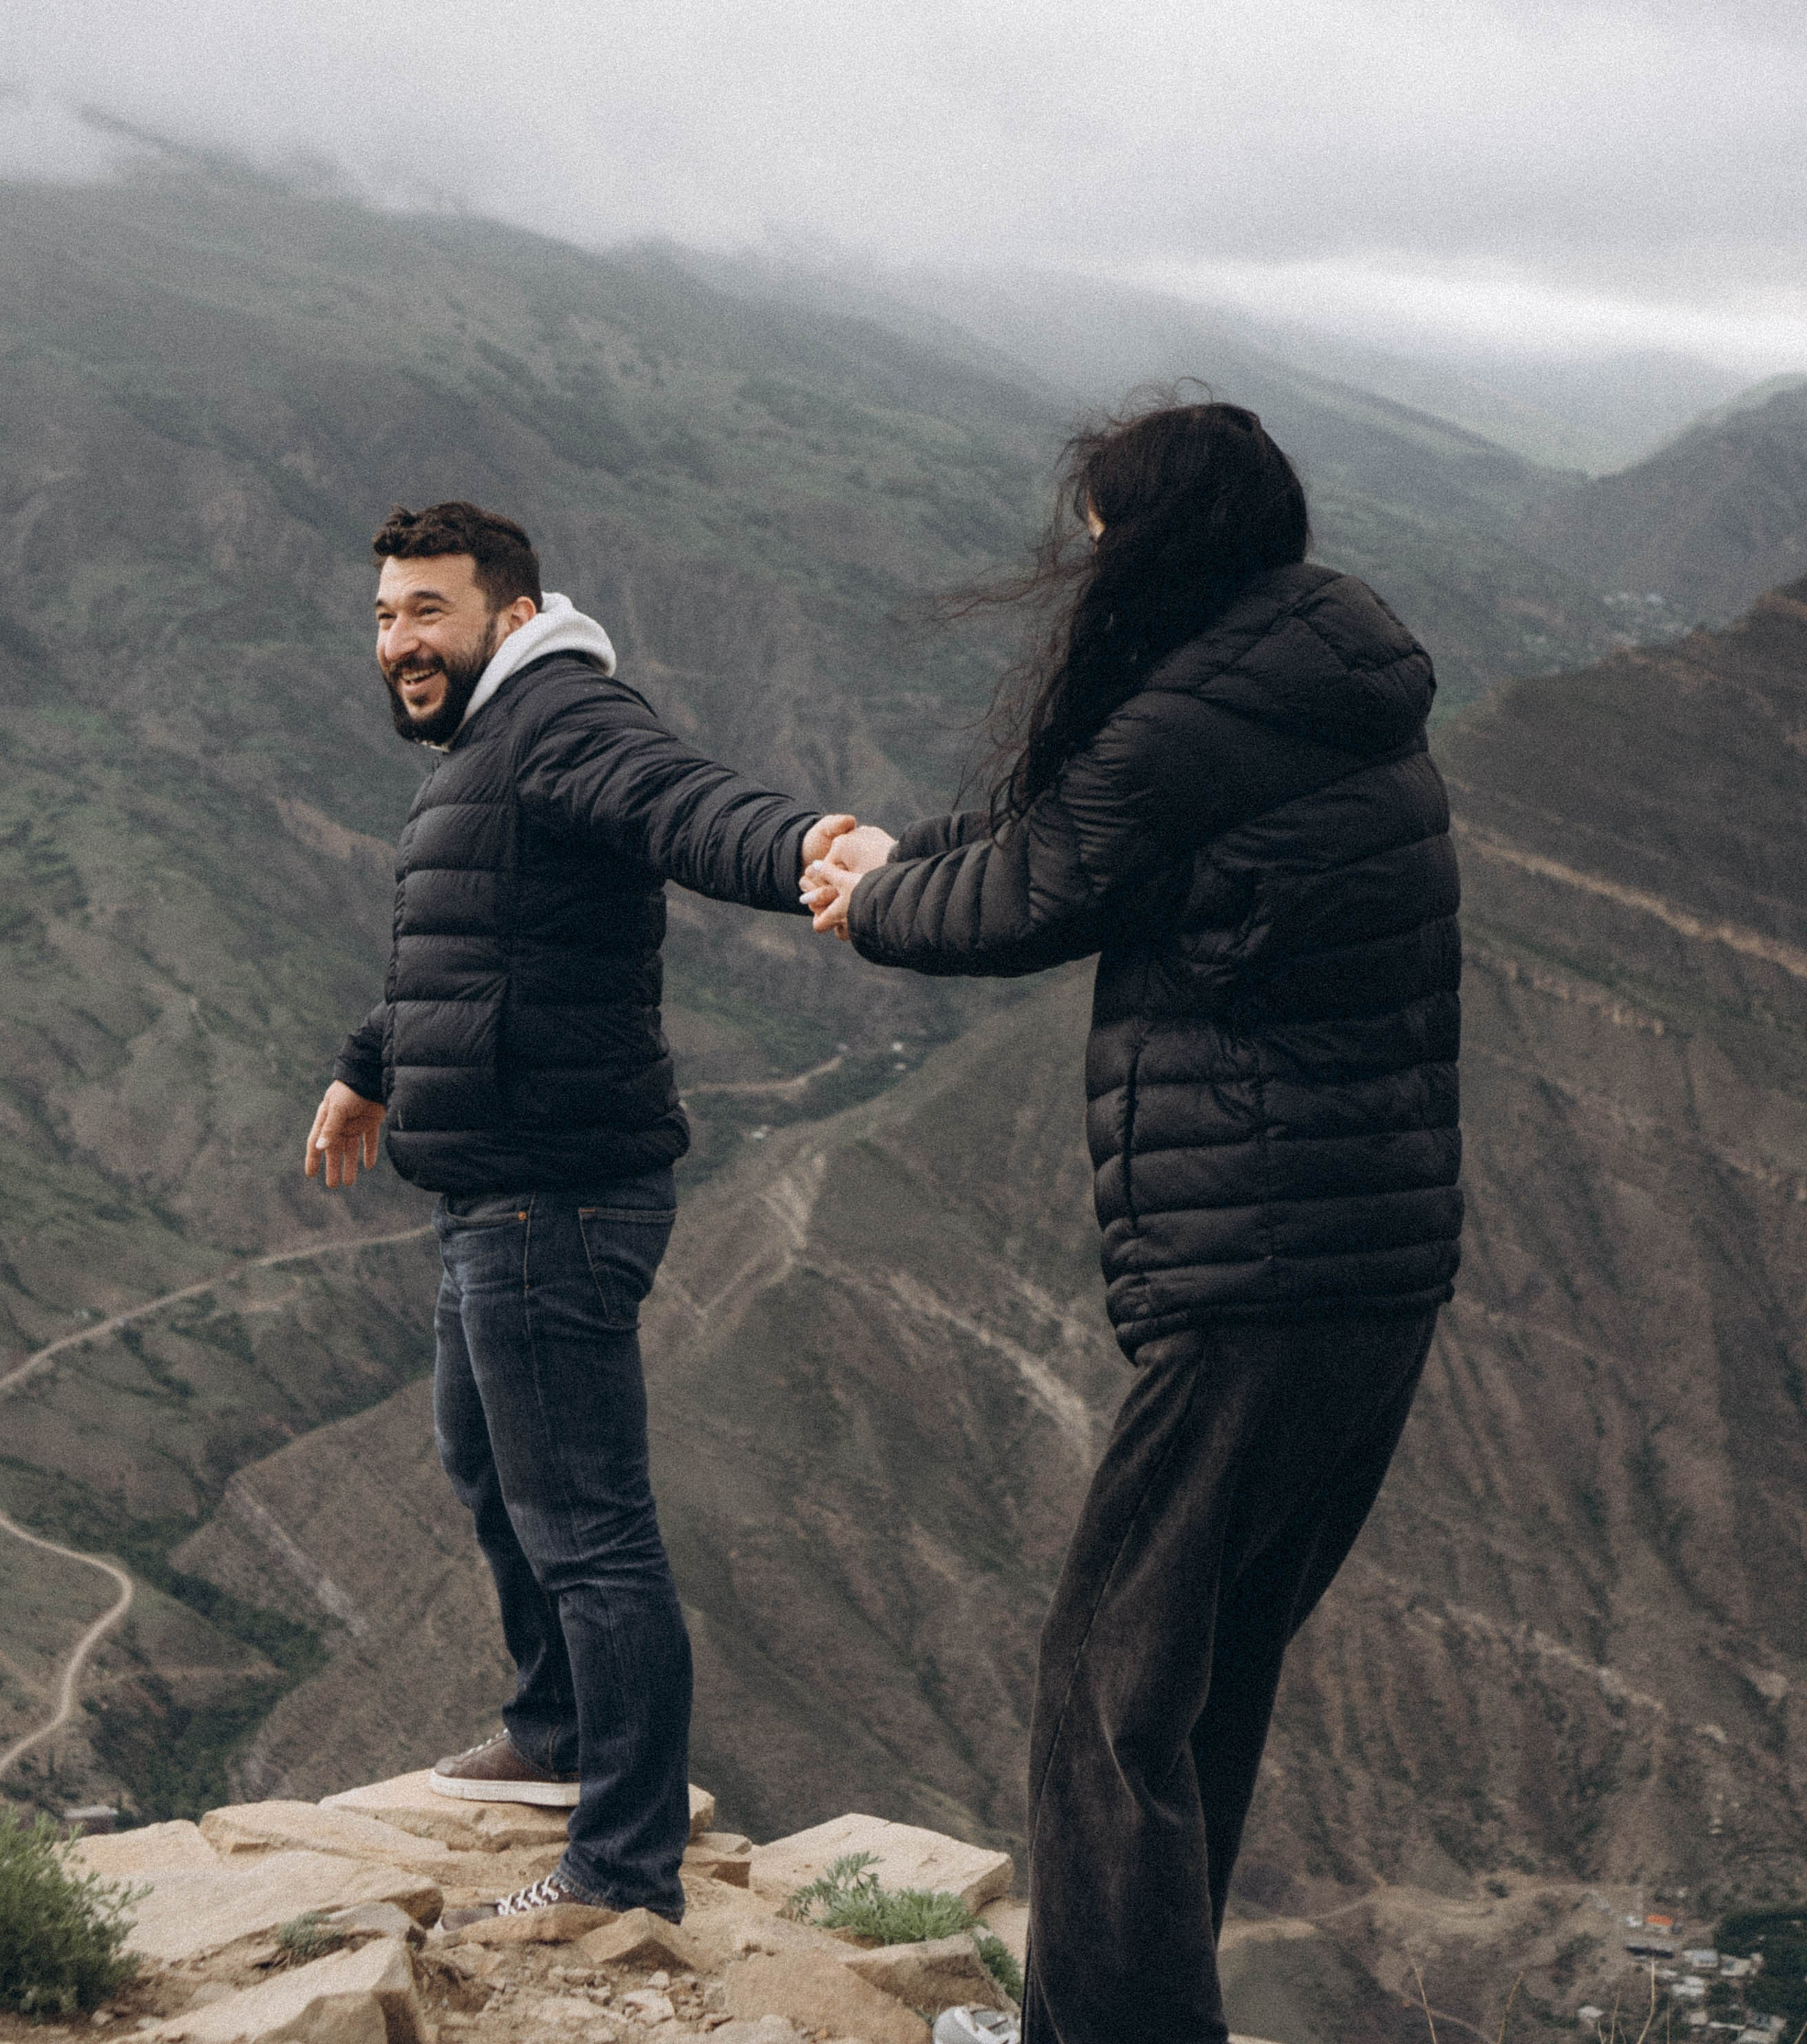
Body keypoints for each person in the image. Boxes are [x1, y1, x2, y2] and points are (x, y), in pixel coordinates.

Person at [803, 399, 1462, 2044]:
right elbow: (1082, 833)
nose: (1083, 562)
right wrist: (904, 854)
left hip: (1257, 1272)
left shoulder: (1195, 717)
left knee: (1106, 1687)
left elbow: (1031, 895)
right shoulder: (1313, 682)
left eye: (1097, 531)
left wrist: (868, 899)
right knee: (1197, 1675)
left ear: (1149, 540)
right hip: (1368, 1270)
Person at [304, 499, 853, 1924]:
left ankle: (619, 1869)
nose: (399, 641)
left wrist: (812, 850)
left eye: (427, 611)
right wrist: (368, 1073)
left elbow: (691, 807)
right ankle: (553, 1736)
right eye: (383, 615)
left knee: (588, 1531)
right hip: (498, 1186)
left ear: (508, 608)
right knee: (484, 1464)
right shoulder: (495, 740)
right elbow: (468, 938)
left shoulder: (561, 717)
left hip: (556, 1198)